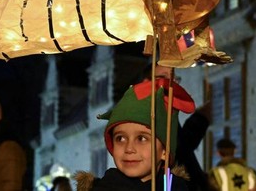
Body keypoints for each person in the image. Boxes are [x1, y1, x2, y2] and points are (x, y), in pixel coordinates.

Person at [74, 78, 196, 190]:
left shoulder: (176, 187)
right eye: (120, 138)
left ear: (165, 150)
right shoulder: (104, 187)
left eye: (141, 138)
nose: (129, 148)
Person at [141, 63, 214, 191]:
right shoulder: (148, 112)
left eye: (174, 78)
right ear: (147, 82)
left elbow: (182, 149)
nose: (171, 83)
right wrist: (200, 120)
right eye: (163, 77)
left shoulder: (167, 111)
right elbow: (176, 150)